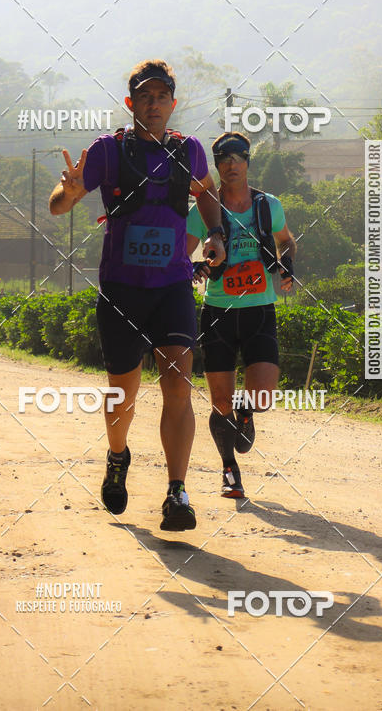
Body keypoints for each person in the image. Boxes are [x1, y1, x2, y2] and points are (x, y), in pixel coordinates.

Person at [49, 59, 225, 530]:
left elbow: (206, 193)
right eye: (143, 96)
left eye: (160, 96)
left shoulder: (189, 150)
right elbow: (57, 204)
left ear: (172, 102)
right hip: (122, 290)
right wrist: (67, 192)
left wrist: (215, 233)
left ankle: (177, 493)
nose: (152, 103)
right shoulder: (107, 150)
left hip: (172, 287)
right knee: (122, 395)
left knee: (177, 388)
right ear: (130, 103)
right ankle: (117, 455)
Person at [186, 132, 296, 499]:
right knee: (220, 403)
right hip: (217, 312)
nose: (230, 165)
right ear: (216, 166)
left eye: (237, 158)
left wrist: (287, 264)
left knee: (262, 396)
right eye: (223, 159)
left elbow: (287, 240)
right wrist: (195, 268)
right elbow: (182, 255)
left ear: (248, 162)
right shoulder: (203, 209)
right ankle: (229, 472)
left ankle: (246, 414)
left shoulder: (268, 206)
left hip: (259, 311)